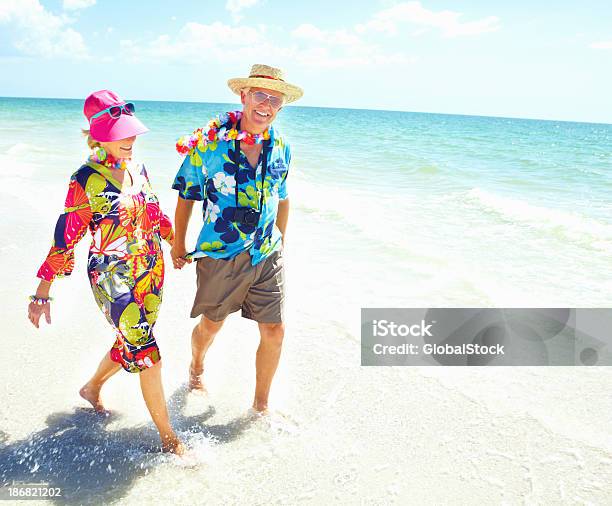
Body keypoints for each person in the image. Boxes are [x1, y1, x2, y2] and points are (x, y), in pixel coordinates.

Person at [28, 90, 185, 454]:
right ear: (98, 136)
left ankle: (92, 387)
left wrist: (176, 245)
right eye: (120, 135)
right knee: (147, 350)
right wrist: (41, 291)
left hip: (150, 268)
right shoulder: (85, 179)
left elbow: (155, 213)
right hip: (111, 277)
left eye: (131, 133)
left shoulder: (138, 168)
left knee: (130, 341)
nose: (129, 140)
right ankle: (169, 439)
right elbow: (65, 239)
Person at [170, 64, 303, 413]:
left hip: (266, 253)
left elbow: (283, 196)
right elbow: (186, 195)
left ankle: (260, 407)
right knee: (211, 326)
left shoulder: (282, 148)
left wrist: (282, 243)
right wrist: (178, 244)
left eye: (275, 100)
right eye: (260, 95)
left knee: (274, 330)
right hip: (221, 251)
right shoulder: (208, 145)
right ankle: (196, 366)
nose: (267, 105)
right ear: (243, 96)